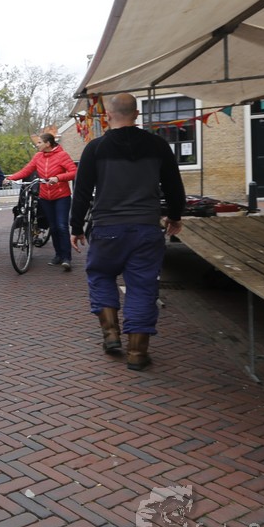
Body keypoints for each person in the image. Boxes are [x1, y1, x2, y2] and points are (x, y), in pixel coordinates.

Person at [69, 93, 186, 370]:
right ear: (136, 114)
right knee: (142, 286)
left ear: (108, 115)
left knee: (101, 275)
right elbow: (174, 186)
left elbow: (82, 192)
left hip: (107, 228)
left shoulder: (95, 148)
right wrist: (174, 216)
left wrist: (75, 227)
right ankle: (137, 353)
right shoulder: (158, 145)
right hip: (146, 228)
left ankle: (111, 335)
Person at [5, 133, 77, 269]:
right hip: (45, 197)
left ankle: (67, 258)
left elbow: (74, 172)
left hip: (61, 196)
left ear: (48, 143)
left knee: (62, 226)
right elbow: (26, 170)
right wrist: (10, 178)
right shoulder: (38, 157)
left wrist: (58, 178)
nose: (37, 145)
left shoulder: (62, 155)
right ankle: (58, 255)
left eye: (39, 142)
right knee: (53, 227)